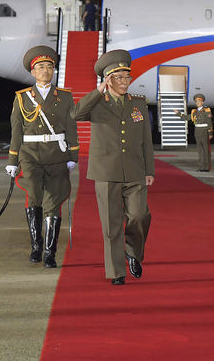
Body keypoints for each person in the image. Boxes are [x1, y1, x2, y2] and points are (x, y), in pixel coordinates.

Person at [72, 49, 154, 285]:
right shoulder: (97, 104)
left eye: (127, 77)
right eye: (119, 77)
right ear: (108, 80)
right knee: (111, 225)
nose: (125, 82)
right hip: (106, 172)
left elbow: (146, 141)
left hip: (135, 171)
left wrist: (149, 170)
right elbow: (76, 114)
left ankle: (133, 251)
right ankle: (117, 272)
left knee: (140, 216)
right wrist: (98, 91)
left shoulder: (137, 104)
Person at [7, 46, 79, 268]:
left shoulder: (65, 97)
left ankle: (50, 252)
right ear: (33, 71)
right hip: (30, 155)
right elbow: (16, 130)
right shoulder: (22, 98)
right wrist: (12, 160)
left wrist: (72, 155)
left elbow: (71, 127)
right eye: (41, 67)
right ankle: (36, 246)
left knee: (53, 201)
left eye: (49, 67)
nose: (46, 71)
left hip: (56, 155)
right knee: (35, 198)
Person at [175, 94, 214, 171]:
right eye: (196, 101)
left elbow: (209, 122)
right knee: (200, 150)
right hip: (197, 132)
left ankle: (206, 167)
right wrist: (178, 113)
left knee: (206, 150)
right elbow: (186, 117)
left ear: (202, 102)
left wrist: (210, 133)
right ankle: (201, 167)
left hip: (204, 131)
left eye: (199, 101)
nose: (197, 103)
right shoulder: (194, 112)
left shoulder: (206, 110)